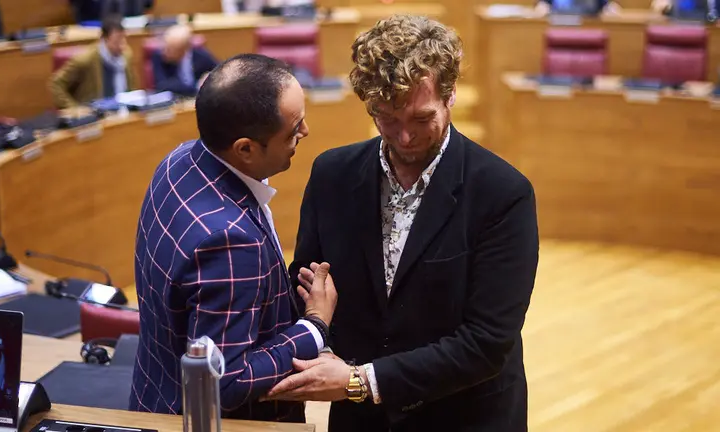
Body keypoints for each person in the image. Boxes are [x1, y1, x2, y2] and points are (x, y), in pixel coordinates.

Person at [264, 15, 539, 431]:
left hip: (464, 417)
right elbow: (309, 286)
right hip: (363, 421)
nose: (405, 137)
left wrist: (360, 381)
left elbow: (486, 343)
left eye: (421, 119)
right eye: (387, 118)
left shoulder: (503, 193)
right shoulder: (332, 174)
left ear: (450, 97)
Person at [128, 53, 338, 423]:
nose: (304, 132)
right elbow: (222, 384)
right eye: (293, 128)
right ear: (245, 149)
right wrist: (314, 326)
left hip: (155, 391)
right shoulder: (230, 241)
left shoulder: (178, 161)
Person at [49, 15, 135, 108]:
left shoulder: (126, 54)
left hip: (123, 111)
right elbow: (56, 84)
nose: (122, 46)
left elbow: (131, 87)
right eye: (117, 41)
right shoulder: (85, 59)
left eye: (124, 39)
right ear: (105, 39)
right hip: (96, 114)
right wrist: (74, 109)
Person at [151, 24, 220, 97]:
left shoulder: (200, 56)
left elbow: (220, 71)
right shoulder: (158, 57)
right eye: (165, 47)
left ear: (184, 50)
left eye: (170, 49)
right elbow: (162, 85)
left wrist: (209, 78)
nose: (165, 52)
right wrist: (196, 87)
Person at [534, 0, 620, 15]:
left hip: (588, 31)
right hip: (559, 29)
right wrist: (541, 6)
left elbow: (607, 6)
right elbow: (543, 4)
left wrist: (610, 8)